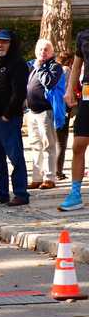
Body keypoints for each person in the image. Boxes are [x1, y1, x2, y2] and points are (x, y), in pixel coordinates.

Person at [0, 29, 29, 206]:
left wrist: (7, 114)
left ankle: (21, 194)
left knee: (15, 157)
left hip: (7, 120)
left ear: (12, 43)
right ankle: (1, 192)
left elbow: (19, 93)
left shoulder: (17, 63)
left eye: (4, 41)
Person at [25, 39, 63, 190]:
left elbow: (49, 82)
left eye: (46, 49)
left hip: (46, 111)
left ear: (52, 52)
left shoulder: (54, 66)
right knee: (35, 145)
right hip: (31, 112)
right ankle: (36, 178)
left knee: (48, 145)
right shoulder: (32, 66)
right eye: (40, 49)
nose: (43, 52)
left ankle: (49, 178)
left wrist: (40, 68)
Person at [59, 29, 89, 211]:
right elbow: (77, 66)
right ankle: (75, 193)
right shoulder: (83, 35)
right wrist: (70, 89)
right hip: (87, 92)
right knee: (78, 143)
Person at [55, 51, 75, 180]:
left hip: (54, 106)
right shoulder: (66, 70)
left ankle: (54, 170)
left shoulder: (55, 68)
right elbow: (68, 88)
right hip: (63, 107)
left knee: (54, 140)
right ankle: (59, 171)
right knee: (61, 141)